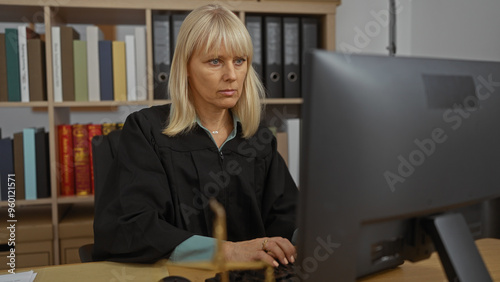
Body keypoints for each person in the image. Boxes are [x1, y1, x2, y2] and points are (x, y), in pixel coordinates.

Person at [93, 4, 298, 268]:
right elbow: (135, 226)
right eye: (215, 61)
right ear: (186, 67)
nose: (231, 76)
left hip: (252, 275)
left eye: (239, 61)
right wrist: (229, 251)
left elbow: (288, 218)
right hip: (177, 274)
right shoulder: (147, 131)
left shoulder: (257, 139)